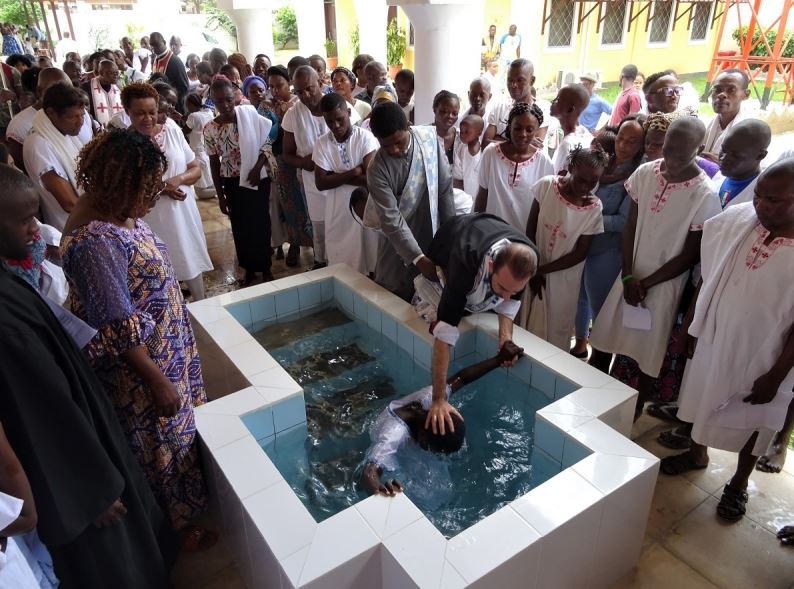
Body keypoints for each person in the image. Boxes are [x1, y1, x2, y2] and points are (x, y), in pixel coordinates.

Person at [0, 165, 176, 588]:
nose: (35, 230)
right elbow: (38, 410)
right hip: (80, 478)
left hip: (89, 441)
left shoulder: (9, 278)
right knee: (116, 563)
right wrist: (88, 488)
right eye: (24, 219)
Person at [62, 129, 218, 552]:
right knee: (158, 447)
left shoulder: (120, 216)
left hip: (166, 352)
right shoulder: (96, 242)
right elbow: (115, 328)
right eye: (147, 189)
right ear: (119, 183)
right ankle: (176, 529)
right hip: (143, 374)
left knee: (178, 437)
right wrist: (157, 380)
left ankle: (190, 507)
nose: (154, 197)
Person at [658, 159, 794, 524]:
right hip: (716, 337)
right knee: (702, 393)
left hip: (764, 354)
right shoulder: (741, 224)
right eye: (760, 197)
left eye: (776, 200)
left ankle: (738, 484)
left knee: (754, 417)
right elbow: (712, 273)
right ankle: (697, 453)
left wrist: (777, 375)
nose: (762, 206)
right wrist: (692, 324)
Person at [589, 118, 721, 419]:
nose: (671, 158)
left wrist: (647, 283)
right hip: (630, 274)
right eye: (667, 148)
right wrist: (628, 273)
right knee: (606, 335)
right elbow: (631, 225)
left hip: (664, 285)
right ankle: (593, 394)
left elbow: (690, 254)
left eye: (680, 152)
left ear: (698, 149)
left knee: (649, 350)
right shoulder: (646, 172)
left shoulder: (704, 193)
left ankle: (633, 411)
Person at [417, 213, 536, 433]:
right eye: (502, 288)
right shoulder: (464, 263)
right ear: (490, 266)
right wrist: (438, 400)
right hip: (448, 241)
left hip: (486, 230)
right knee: (450, 310)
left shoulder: (528, 256)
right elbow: (445, 334)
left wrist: (505, 339)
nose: (506, 297)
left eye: (515, 291)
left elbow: (509, 303)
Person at [362, 341, 524, 495]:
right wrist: (380, 489)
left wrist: (498, 360)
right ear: (424, 443)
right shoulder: (393, 437)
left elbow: (461, 378)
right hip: (389, 433)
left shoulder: (430, 400)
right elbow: (369, 472)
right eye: (437, 451)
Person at [123, 82, 213, 301]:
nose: (148, 119)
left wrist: (177, 179)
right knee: (159, 271)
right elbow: (127, 187)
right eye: (140, 113)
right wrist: (163, 188)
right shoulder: (125, 144)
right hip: (152, 217)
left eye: (152, 112)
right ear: (127, 112)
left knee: (189, 258)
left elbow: (195, 169)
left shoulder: (171, 128)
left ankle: (202, 309)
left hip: (182, 211)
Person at [366, 101, 456, 301]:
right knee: (394, 297)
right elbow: (390, 219)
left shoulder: (430, 141)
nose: (395, 150)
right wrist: (417, 258)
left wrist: (451, 237)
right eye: (386, 146)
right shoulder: (377, 169)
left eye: (398, 142)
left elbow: (444, 191)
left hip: (432, 233)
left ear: (407, 125)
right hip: (398, 244)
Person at [572, 115, 645, 358]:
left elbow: (624, 222)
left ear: (641, 145)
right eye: (621, 138)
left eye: (632, 142)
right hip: (583, 242)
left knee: (599, 306)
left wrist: (584, 217)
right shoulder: (606, 163)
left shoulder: (636, 175)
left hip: (606, 249)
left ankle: (600, 356)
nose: (623, 146)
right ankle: (580, 344)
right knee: (578, 297)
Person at [523, 147, 606, 349]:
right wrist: (533, 268)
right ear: (570, 168)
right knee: (529, 324)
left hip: (563, 279)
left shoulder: (593, 209)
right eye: (581, 180)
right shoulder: (546, 186)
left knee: (556, 329)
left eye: (593, 182)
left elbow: (579, 254)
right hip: (534, 266)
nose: (586, 187)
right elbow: (530, 228)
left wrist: (541, 271)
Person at [283, 66, 360, 270]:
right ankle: (322, 263)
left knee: (347, 224)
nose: (305, 95)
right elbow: (287, 154)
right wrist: (304, 162)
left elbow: (357, 140)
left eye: (309, 88)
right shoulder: (293, 114)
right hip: (314, 183)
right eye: (299, 92)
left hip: (347, 182)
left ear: (320, 83)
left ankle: (348, 264)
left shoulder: (339, 106)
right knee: (320, 226)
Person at [204, 77, 274, 285]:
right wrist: (221, 196)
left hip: (256, 180)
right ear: (212, 102)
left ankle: (266, 267)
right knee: (240, 226)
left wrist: (258, 167)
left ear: (235, 96)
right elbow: (214, 163)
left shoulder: (249, 115)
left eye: (228, 99)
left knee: (261, 223)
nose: (225, 105)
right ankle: (249, 267)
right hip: (232, 182)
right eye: (219, 101)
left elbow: (267, 142)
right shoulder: (210, 128)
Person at [312, 92, 379, 274]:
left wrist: (336, 176)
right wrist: (354, 171)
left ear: (349, 113)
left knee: (368, 251)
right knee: (339, 255)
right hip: (337, 207)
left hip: (362, 204)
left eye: (340, 119)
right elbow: (321, 182)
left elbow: (370, 179)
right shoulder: (322, 143)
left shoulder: (365, 138)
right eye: (330, 122)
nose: (336, 125)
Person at [474, 102, 554, 232]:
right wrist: (476, 228)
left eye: (529, 129)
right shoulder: (491, 153)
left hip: (524, 237)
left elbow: (544, 209)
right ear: (509, 126)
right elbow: (482, 195)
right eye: (518, 128)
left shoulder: (544, 163)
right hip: (491, 234)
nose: (523, 134)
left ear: (536, 130)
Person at [263, 65, 313, 266]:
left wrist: (283, 114)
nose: (275, 90)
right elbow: (264, 137)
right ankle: (294, 243)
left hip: (300, 160)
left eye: (280, 85)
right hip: (279, 162)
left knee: (307, 204)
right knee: (288, 206)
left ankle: (313, 243)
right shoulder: (265, 106)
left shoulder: (298, 103)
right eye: (271, 86)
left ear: (289, 83)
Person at [22, 83, 86, 231]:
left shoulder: (62, 132)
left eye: (82, 115)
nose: (81, 121)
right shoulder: (39, 144)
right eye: (73, 117)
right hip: (68, 229)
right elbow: (69, 203)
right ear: (51, 113)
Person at [7, 68, 76, 172]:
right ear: (39, 91)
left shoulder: (79, 114)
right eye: (56, 92)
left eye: (69, 91)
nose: (64, 97)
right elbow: (23, 169)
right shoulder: (19, 125)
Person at [483, 59, 550, 146]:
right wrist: (519, 142)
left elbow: (534, 148)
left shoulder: (542, 110)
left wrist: (498, 139)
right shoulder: (499, 107)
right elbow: (485, 143)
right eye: (510, 80)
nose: (513, 85)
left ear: (532, 80)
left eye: (520, 80)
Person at [701, 69, 750, 162]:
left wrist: (721, 164)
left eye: (731, 90)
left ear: (746, 95)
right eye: (718, 89)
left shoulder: (750, 132)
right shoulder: (705, 124)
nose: (721, 95)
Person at [550, 83, 593, 174]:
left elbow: (554, 181)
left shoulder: (567, 146)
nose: (552, 101)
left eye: (558, 99)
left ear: (570, 109)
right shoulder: (585, 133)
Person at [184, 92, 217, 197]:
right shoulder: (208, 113)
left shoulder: (192, 116)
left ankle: (223, 190)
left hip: (197, 154)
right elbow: (196, 124)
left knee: (200, 193)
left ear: (191, 104)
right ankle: (219, 189)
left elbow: (185, 130)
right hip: (206, 152)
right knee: (208, 183)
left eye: (188, 105)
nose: (187, 108)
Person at [148, 32, 189, 112]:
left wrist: (170, 99)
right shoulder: (156, 60)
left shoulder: (175, 61)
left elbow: (184, 87)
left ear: (164, 42)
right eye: (152, 45)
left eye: (157, 44)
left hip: (173, 107)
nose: (154, 48)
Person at [452, 113, 484, 202]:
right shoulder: (461, 150)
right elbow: (457, 178)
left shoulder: (484, 150)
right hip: (466, 199)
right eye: (461, 132)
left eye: (467, 132)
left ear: (479, 132)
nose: (462, 134)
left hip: (482, 198)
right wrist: (462, 199)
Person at [81, 59, 123, 127]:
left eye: (117, 72)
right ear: (101, 73)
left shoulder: (119, 86)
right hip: (98, 130)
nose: (116, 76)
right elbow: (85, 112)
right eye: (112, 73)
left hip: (119, 130)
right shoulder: (87, 87)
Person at [457, 77, 492, 143]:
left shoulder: (492, 124)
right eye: (474, 94)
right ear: (468, 94)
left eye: (482, 95)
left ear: (489, 97)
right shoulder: (458, 119)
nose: (477, 98)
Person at [431, 90, 460, 164]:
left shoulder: (461, 137)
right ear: (434, 109)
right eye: (444, 111)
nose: (450, 116)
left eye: (454, 113)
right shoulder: (423, 135)